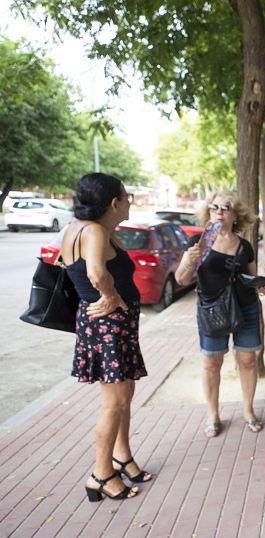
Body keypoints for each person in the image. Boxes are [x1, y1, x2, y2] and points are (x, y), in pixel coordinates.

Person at [62, 173, 150, 502]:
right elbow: (96, 272)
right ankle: (100, 474)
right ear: (114, 203)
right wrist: (111, 295)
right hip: (108, 326)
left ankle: (122, 457)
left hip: (114, 327)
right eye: (127, 197)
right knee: (113, 404)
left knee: (124, 396)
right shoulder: (95, 231)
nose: (130, 202)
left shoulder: (85, 229)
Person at [174, 192, 265, 437]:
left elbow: (251, 279)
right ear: (208, 212)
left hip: (246, 308)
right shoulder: (200, 244)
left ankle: (248, 410)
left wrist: (264, 287)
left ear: (235, 215)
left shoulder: (245, 246)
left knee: (248, 361)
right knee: (211, 363)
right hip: (212, 310)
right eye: (214, 207)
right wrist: (188, 262)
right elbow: (180, 279)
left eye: (226, 207)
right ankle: (213, 415)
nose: (219, 211)